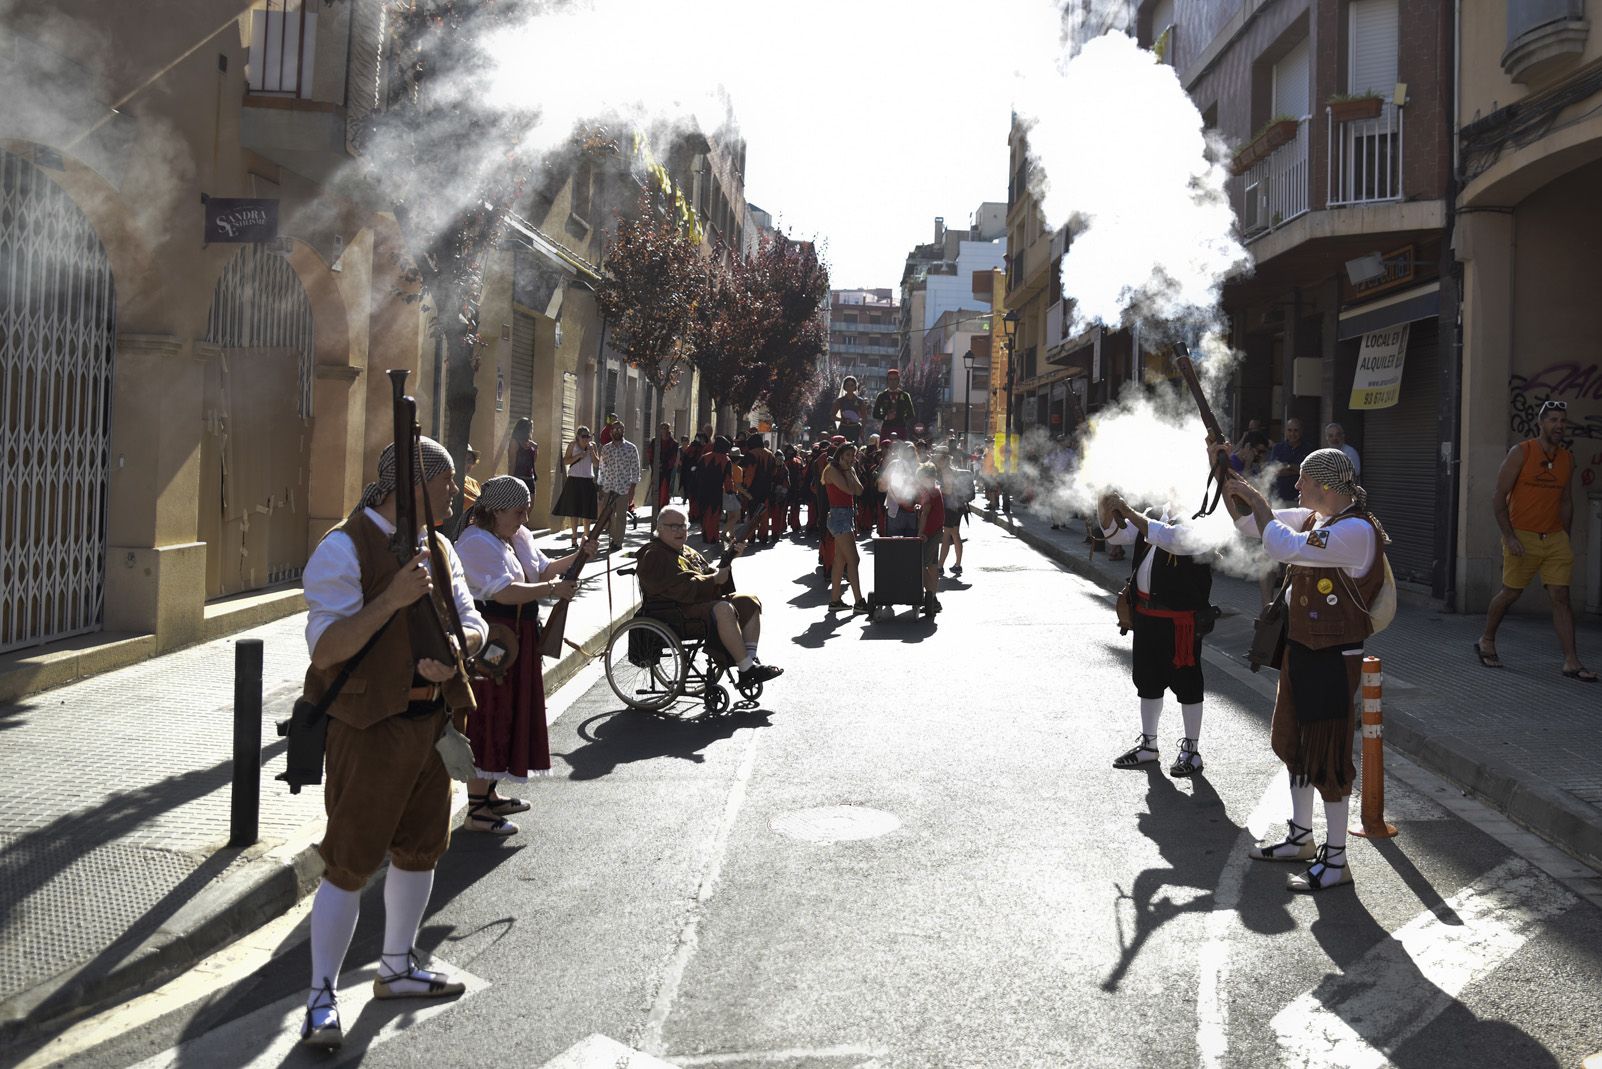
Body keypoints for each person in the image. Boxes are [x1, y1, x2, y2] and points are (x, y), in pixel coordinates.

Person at [296, 436, 486, 1049]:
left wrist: (462, 649)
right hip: (368, 730)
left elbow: (472, 619)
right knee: (348, 863)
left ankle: (397, 966)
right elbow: (327, 650)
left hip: (430, 724)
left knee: (421, 849)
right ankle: (321, 996)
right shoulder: (342, 548)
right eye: (446, 480)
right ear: (414, 486)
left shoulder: (442, 546)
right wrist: (394, 598)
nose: (455, 492)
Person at [1222, 446, 1390, 893]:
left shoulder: (1355, 530)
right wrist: (1224, 472)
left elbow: (1282, 544)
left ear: (1328, 486)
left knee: (1329, 756)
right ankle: (1300, 838)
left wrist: (1257, 499)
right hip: (1302, 648)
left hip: (1335, 655)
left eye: (1304, 481)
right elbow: (1248, 525)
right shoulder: (1320, 520)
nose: (1296, 487)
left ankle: (1336, 860)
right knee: (1294, 742)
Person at [454, 477, 598, 834]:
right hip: (493, 639)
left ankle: (490, 793)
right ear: (496, 510)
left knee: (510, 711)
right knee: (488, 714)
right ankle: (476, 810)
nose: (525, 516)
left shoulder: (516, 536)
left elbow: (543, 569)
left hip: (519, 636)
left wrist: (578, 556)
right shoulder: (474, 542)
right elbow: (503, 593)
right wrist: (553, 589)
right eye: (519, 510)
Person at [1475, 400, 1596, 682]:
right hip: (1522, 535)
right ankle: (1487, 639)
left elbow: (1565, 500)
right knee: (1510, 593)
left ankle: (1571, 661)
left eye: (1562, 421)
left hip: (1554, 538)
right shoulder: (1522, 452)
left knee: (1561, 597)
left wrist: (1565, 535)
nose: (1559, 425)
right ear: (1540, 423)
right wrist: (1509, 536)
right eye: (1552, 420)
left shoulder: (1567, 458)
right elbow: (1498, 496)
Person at [1098, 492, 1213, 778]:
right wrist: (1104, 505)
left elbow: (1170, 538)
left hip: (1180, 621)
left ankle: (1192, 750)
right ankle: (1148, 745)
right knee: (1147, 681)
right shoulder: (1155, 512)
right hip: (1147, 616)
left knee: (1187, 683)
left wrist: (1127, 510)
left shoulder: (1200, 520)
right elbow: (1117, 536)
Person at [636, 505, 783, 685]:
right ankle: (746, 667)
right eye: (673, 526)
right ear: (659, 529)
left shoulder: (687, 551)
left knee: (748, 601)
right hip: (673, 613)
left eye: (683, 526)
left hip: (697, 605)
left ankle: (751, 662)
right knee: (723, 609)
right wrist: (713, 580)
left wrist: (731, 558)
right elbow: (679, 588)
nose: (680, 531)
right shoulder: (653, 554)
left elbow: (713, 576)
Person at [821, 442, 869, 612]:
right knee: (854, 560)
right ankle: (859, 601)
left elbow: (860, 490)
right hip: (838, 516)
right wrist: (849, 472)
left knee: (840, 560)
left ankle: (835, 601)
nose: (851, 458)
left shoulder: (849, 470)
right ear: (840, 456)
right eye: (847, 455)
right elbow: (849, 491)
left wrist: (850, 471)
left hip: (847, 515)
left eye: (852, 455)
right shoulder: (832, 470)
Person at [597, 421, 641, 553]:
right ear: (610, 432)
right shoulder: (606, 449)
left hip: (623, 488)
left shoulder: (631, 448)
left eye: (619, 429)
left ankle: (618, 542)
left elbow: (636, 469)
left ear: (623, 430)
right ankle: (614, 538)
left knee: (621, 516)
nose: (616, 431)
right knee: (609, 515)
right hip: (608, 487)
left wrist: (632, 488)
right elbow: (602, 468)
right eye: (614, 429)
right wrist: (600, 486)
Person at [553, 427, 600, 546]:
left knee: (587, 512)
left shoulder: (592, 445)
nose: (586, 439)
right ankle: (574, 538)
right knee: (574, 511)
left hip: (587, 480)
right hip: (574, 480)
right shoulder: (572, 445)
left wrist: (591, 451)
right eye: (584, 436)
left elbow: (597, 463)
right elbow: (565, 461)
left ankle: (586, 537)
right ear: (578, 437)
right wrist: (578, 456)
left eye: (588, 436)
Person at [914, 461, 946, 614]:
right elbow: (927, 509)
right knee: (932, 566)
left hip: (930, 534)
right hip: (936, 531)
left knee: (919, 565)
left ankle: (931, 599)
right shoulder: (935, 490)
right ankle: (933, 599)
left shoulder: (930, 492)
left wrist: (920, 533)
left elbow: (926, 514)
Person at [936, 448, 974, 576]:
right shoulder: (953, 470)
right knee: (955, 534)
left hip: (950, 507)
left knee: (946, 536)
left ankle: (940, 566)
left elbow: (948, 490)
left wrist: (937, 490)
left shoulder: (946, 472)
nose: (937, 461)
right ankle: (958, 565)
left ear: (945, 459)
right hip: (959, 506)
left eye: (939, 458)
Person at [695, 435, 732, 544]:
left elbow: (697, 475)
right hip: (716, 491)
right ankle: (712, 537)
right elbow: (728, 479)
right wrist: (730, 492)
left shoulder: (704, 457)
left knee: (704, 513)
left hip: (702, 490)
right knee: (715, 514)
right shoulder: (726, 460)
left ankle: (706, 536)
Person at [1268, 418, 1312, 504]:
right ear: (1285, 431)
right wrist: (1296, 469)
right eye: (1289, 430)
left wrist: (1287, 466)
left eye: (1296, 430)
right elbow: (1274, 471)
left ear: (1301, 431)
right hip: (1279, 498)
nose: (1292, 433)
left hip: (1300, 498)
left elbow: (1307, 472)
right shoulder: (1277, 448)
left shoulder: (1308, 449)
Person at [872, 368, 917, 441]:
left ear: (899, 381)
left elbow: (911, 414)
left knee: (901, 450)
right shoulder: (881, 396)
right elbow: (875, 414)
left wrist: (900, 417)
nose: (893, 382)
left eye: (895, 379)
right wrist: (886, 417)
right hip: (886, 427)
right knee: (885, 450)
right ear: (887, 381)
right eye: (890, 379)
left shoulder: (905, 395)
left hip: (901, 427)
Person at [645, 422, 680, 517]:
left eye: (665, 428)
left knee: (665, 489)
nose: (664, 430)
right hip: (656, 468)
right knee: (656, 488)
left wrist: (665, 465)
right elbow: (650, 454)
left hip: (667, 470)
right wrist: (655, 464)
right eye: (662, 428)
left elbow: (673, 458)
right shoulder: (654, 441)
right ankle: (656, 508)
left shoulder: (673, 443)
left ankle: (663, 509)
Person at [510, 418, 539, 503]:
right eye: (531, 428)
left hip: (530, 478)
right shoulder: (515, 442)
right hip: (518, 478)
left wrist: (536, 448)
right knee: (518, 506)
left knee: (530, 506)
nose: (532, 431)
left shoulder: (531, 443)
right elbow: (512, 462)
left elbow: (534, 461)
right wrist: (511, 480)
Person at [832, 375, 867, 443]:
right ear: (844, 387)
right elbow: (832, 416)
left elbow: (865, 417)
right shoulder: (840, 401)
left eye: (852, 385)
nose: (850, 387)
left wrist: (862, 429)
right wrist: (842, 419)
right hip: (843, 428)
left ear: (855, 387)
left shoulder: (860, 401)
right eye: (847, 385)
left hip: (855, 428)